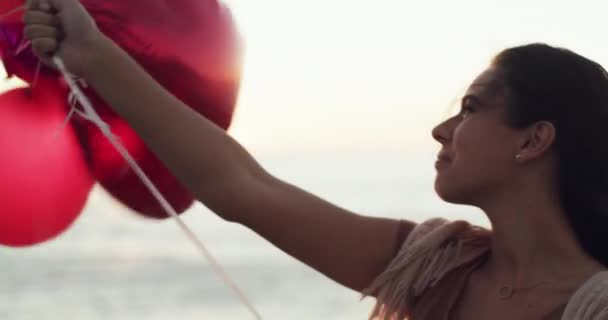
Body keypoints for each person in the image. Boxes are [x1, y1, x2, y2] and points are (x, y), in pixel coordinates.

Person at [22, 0, 608, 319]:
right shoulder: (435, 266)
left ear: (533, 141)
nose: (441, 129)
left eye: (471, 108)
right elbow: (244, 188)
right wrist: (94, 54)